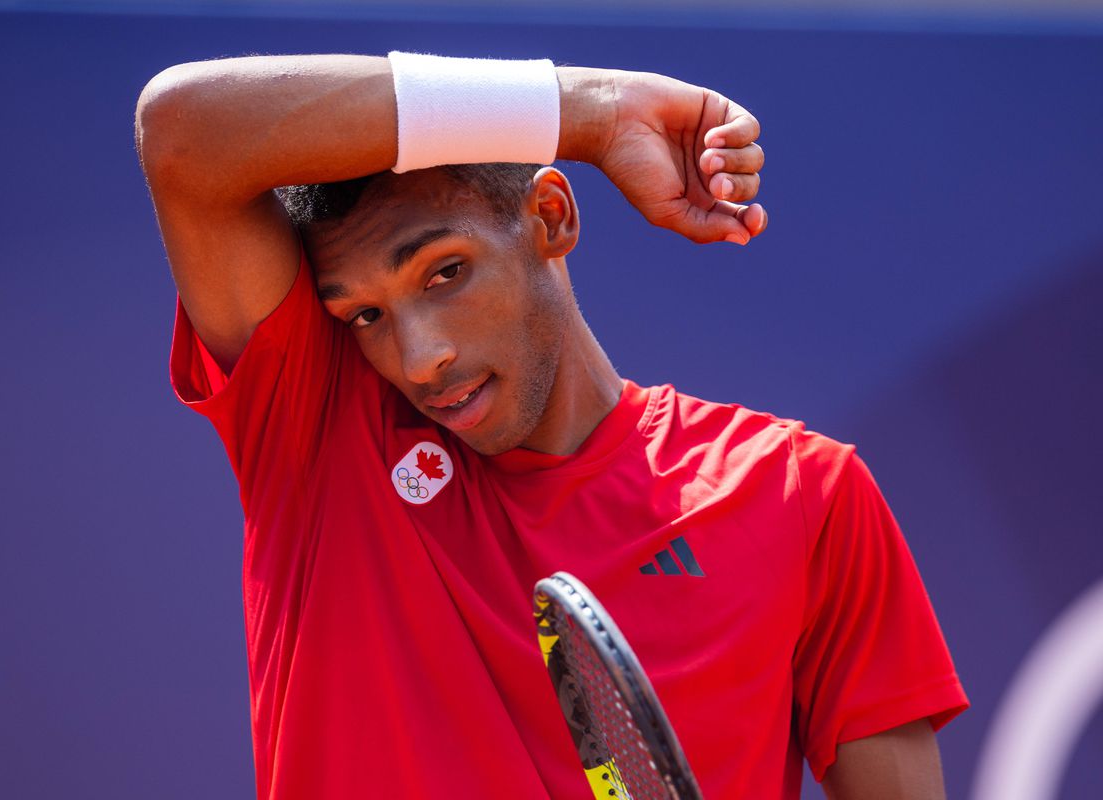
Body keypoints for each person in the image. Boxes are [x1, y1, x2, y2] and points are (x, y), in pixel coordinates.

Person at [135, 52, 968, 799]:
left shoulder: (801, 492)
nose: (419, 358)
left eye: (444, 273)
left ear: (551, 218)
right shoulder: (318, 426)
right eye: (363, 316)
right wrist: (593, 114)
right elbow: (183, 130)